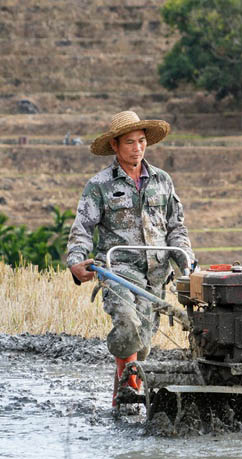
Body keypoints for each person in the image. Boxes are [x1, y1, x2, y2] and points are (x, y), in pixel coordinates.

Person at [66, 111, 195, 407]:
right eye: (129, 143)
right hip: (118, 270)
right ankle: (127, 395)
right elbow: (82, 229)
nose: (137, 148)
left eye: (141, 142)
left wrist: (186, 261)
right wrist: (76, 261)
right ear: (114, 145)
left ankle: (121, 398)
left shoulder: (163, 181)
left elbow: (176, 227)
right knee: (127, 325)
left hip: (156, 274)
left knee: (142, 346)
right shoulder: (99, 186)